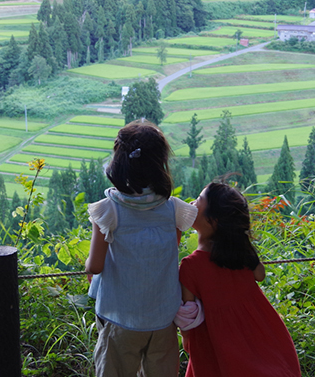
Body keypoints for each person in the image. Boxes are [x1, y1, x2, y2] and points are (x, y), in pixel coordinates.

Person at [85, 120, 198, 377]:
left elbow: (95, 265)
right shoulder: (174, 209)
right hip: (163, 320)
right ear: (160, 164)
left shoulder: (108, 209)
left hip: (120, 317)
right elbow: (171, 248)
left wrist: (87, 267)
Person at [176, 182, 301, 377]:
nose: (192, 203)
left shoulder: (191, 266)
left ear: (213, 220)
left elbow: (188, 313)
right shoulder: (241, 255)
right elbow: (260, 275)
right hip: (259, 332)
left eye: (199, 200)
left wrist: (187, 340)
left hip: (215, 341)